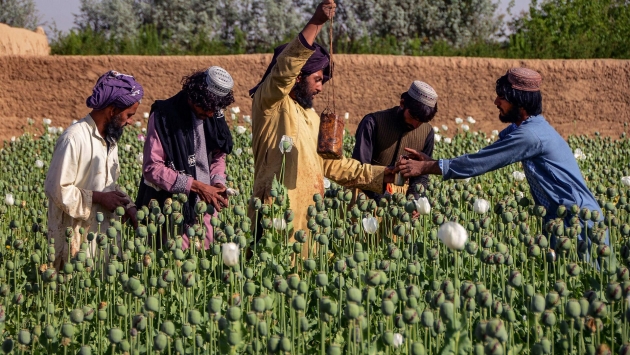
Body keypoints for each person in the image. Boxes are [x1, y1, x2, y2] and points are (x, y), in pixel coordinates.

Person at [397, 67, 605, 249]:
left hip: (579, 224)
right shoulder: (529, 128)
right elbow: (484, 154)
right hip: (558, 222)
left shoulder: (530, 136)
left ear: (520, 102)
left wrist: (425, 167)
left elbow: (481, 162)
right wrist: (428, 161)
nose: (496, 102)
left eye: (502, 97)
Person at [249, 0, 392, 255]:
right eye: (317, 79)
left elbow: (332, 164)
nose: (320, 87)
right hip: (276, 214)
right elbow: (284, 70)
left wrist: (381, 176)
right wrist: (316, 21)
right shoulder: (270, 102)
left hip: (309, 219)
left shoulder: (312, 117)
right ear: (298, 77)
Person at [45, 70, 142, 269]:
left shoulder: (110, 140)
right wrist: (98, 198)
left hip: (104, 235)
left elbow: (109, 186)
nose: (131, 121)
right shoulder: (74, 139)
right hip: (75, 240)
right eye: (129, 115)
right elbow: (57, 190)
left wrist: (129, 206)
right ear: (113, 110)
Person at [135, 66, 234, 250]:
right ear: (194, 97)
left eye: (215, 109)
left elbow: (218, 155)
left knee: (204, 267)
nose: (210, 114)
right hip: (171, 213)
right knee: (174, 268)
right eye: (206, 108)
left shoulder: (212, 114)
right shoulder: (164, 117)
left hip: (206, 211)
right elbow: (152, 168)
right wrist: (196, 187)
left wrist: (218, 183)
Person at [352, 81, 438, 200]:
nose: (415, 124)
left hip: (401, 202)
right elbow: (359, 168)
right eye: (413, 117)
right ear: (402, 103)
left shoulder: (427, 133)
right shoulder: (373, 123)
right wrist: (383, 198)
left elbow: (421, 174)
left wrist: (415, 199)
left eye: (421, 121)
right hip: (365, 197)